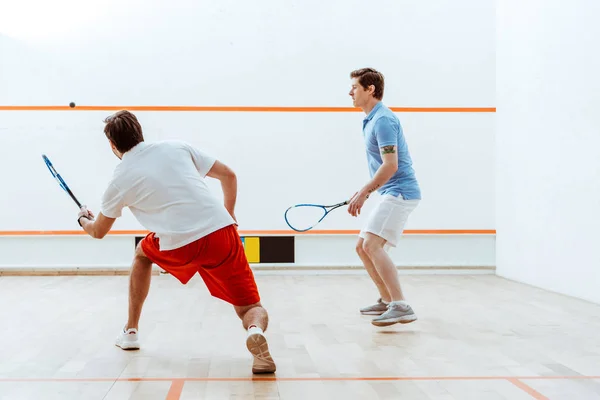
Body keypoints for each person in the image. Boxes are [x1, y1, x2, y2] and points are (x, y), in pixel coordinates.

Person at [76, 110, 276, 374]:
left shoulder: (119, 179)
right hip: (221, 232)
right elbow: (229, 176)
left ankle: (131, 331)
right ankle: (254, 330)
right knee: (251, 307)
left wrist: (83, 220)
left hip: (180, 244)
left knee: (142, 254)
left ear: (113, 146)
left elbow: (99, 231)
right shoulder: (176, 147)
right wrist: (229, 213)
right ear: (139, 131)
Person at [347, 68, 422, 327]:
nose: (350, 92)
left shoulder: (383, 121)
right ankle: (387, 298)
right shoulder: (370, 119)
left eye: (355, 87)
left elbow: (390, 165)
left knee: (371, 245)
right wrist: (365, 190)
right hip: (390, 191)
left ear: (370, 89)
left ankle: (401, 305)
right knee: (362, 246)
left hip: (401, 192)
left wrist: (364, 192)